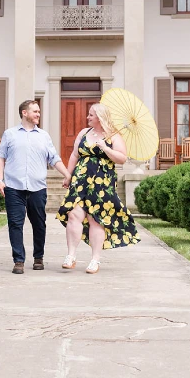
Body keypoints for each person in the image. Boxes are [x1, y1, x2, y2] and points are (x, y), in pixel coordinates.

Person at [56, 103, 139, 274]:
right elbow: (74, 155)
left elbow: (122, 158)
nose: (88, 118)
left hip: (102, 183)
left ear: (100, 118)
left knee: (96, 219)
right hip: (81, 179)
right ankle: (71, 255)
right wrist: (68, 175)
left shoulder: (114, 136)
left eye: (91, 115)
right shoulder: (84, 133)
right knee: (74, 214)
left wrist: (105, 147)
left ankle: (95, 260)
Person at [0, 100, 71, 274]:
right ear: (24, 113)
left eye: (39, 111)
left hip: (37, 188)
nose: (38, 114)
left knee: (39, 224)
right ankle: (19, 260)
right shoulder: (10, 134)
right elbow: (1, 157)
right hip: (14, 187)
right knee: (15, 223)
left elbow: (54, 158)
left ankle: (38, 257)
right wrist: (0, 180)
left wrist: (67, 174)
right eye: (35, 111)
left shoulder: (44, 136)